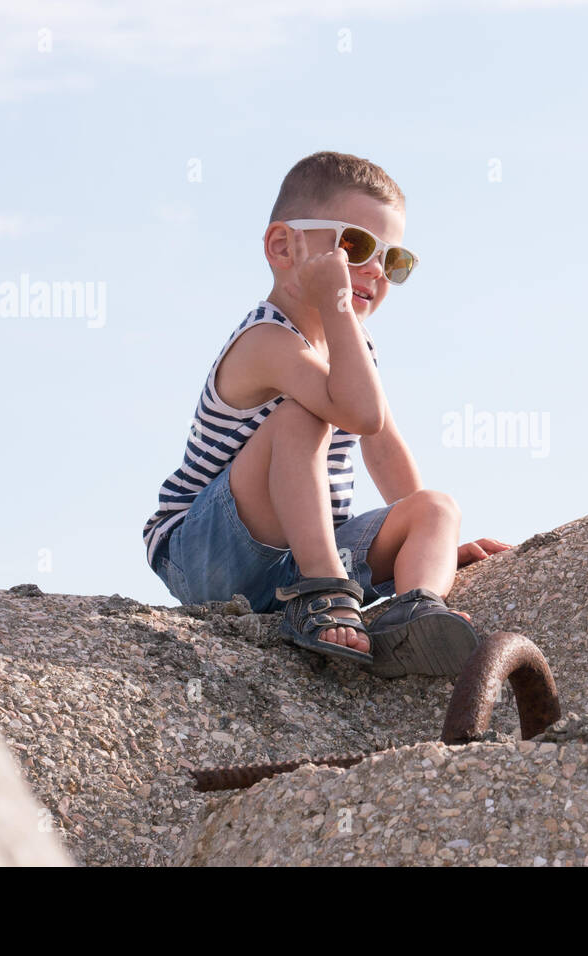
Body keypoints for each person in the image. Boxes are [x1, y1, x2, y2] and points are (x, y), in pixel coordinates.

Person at [142, 151, 510, 677]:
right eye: (354, 246)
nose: (374, 271)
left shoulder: (353, 345)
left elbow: (379, 437)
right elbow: (358, 414)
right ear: (282, 246)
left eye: (394, 260)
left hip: (296, 562)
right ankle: (324, 590)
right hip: (208, 553)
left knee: (436, 506)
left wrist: (427, 545)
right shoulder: (267, 339)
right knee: (302, 416)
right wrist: (337, 306)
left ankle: (416, 611)